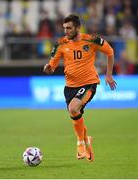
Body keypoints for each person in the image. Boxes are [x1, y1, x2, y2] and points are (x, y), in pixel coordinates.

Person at [43, 14, 117, 162]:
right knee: (75, 114)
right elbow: (52, 65)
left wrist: (108, 75)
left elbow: (110, 52)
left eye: (69, 28)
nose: (66, 31)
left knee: (73, 108)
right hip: (69, 87)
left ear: (78, 27)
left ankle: (80, 143)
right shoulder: (60, 44)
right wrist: (49, 69)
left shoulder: (91, 40)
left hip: (88, 83)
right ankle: (86, 139)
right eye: (64, 28)